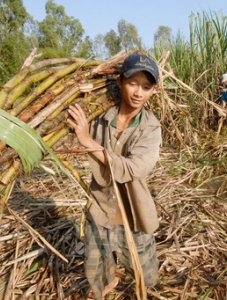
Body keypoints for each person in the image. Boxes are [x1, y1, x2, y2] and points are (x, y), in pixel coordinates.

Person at [67, 53, 161, 299]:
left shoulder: (150, 127)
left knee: (146, 277)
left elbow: (132, 169)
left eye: (146, 87)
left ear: (153, 91)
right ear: (120, 82)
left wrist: (88, 142)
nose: (138, 93)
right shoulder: (99, 117)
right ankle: (109, 282)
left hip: (134, 215)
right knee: (97, 273)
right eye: (133, 83)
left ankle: (126, 276)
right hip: (101, 211)